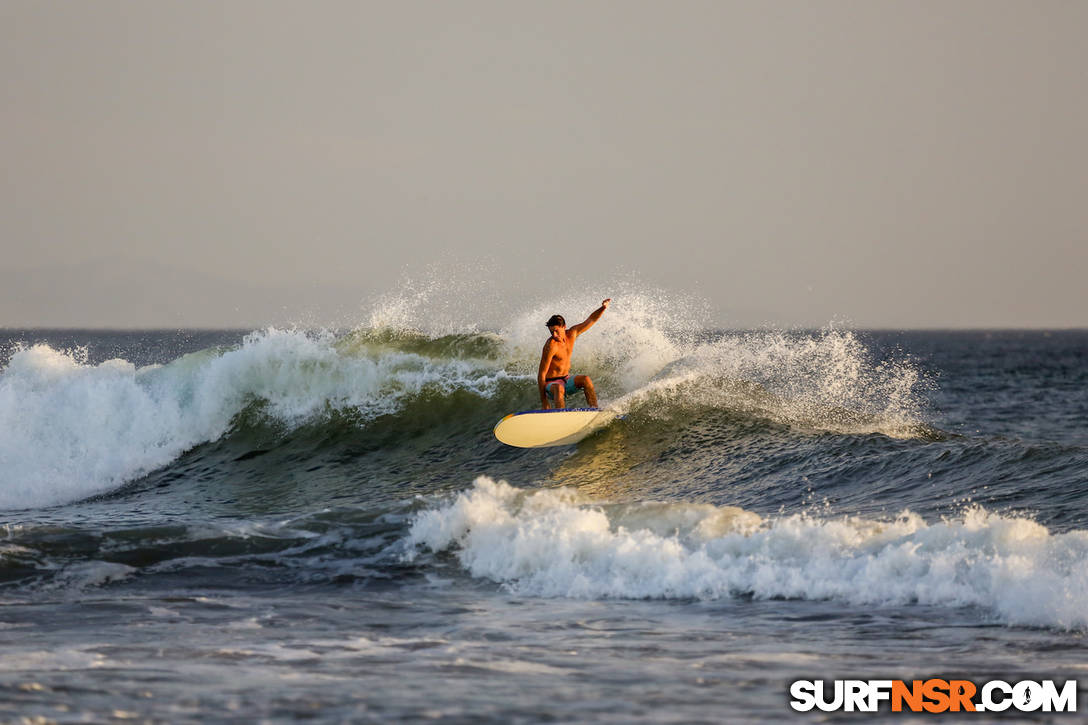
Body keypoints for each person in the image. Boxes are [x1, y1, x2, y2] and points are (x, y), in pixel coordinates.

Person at [538, 299, 610, 409]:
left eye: (556, 330)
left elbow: (590, 320)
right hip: (551, 385)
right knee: (558, 388)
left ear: (564, 327)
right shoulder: (551, 346)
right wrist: (544, 402)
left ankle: (594, 410)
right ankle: (561, 416)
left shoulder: (572, 334)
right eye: (551, 332)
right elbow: (541, 374)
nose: (554, 335)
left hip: (566, 380)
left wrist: (603, 308)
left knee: (586, 379)